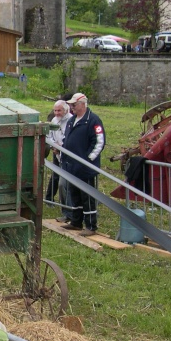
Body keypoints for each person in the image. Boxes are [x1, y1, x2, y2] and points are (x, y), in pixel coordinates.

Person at [61, 92, 105, 237]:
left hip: (85, 168)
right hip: (71, 166)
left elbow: (99, 142)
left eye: (74, 105)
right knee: (74, 195)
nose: (71, 107)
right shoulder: (71, 120)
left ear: (82, 104)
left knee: (87, 197)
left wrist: (88, 160)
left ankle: (91, 225)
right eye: (70, 105)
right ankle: (76, 221)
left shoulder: (93, 120)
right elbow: (66, 139)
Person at [46, 99, 73, 222]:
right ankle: (66, 211)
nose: (56, 113)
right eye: (55, 110)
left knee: (64, 184)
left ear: (65, 110)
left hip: (68, 157)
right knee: (59, 181)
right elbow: (49, 136)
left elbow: (70, 140)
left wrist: (61, 147)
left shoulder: (71, 120)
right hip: (57, 155)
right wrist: (53, 146)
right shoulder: (54, 120)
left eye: (59, 110)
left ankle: (70, 211)